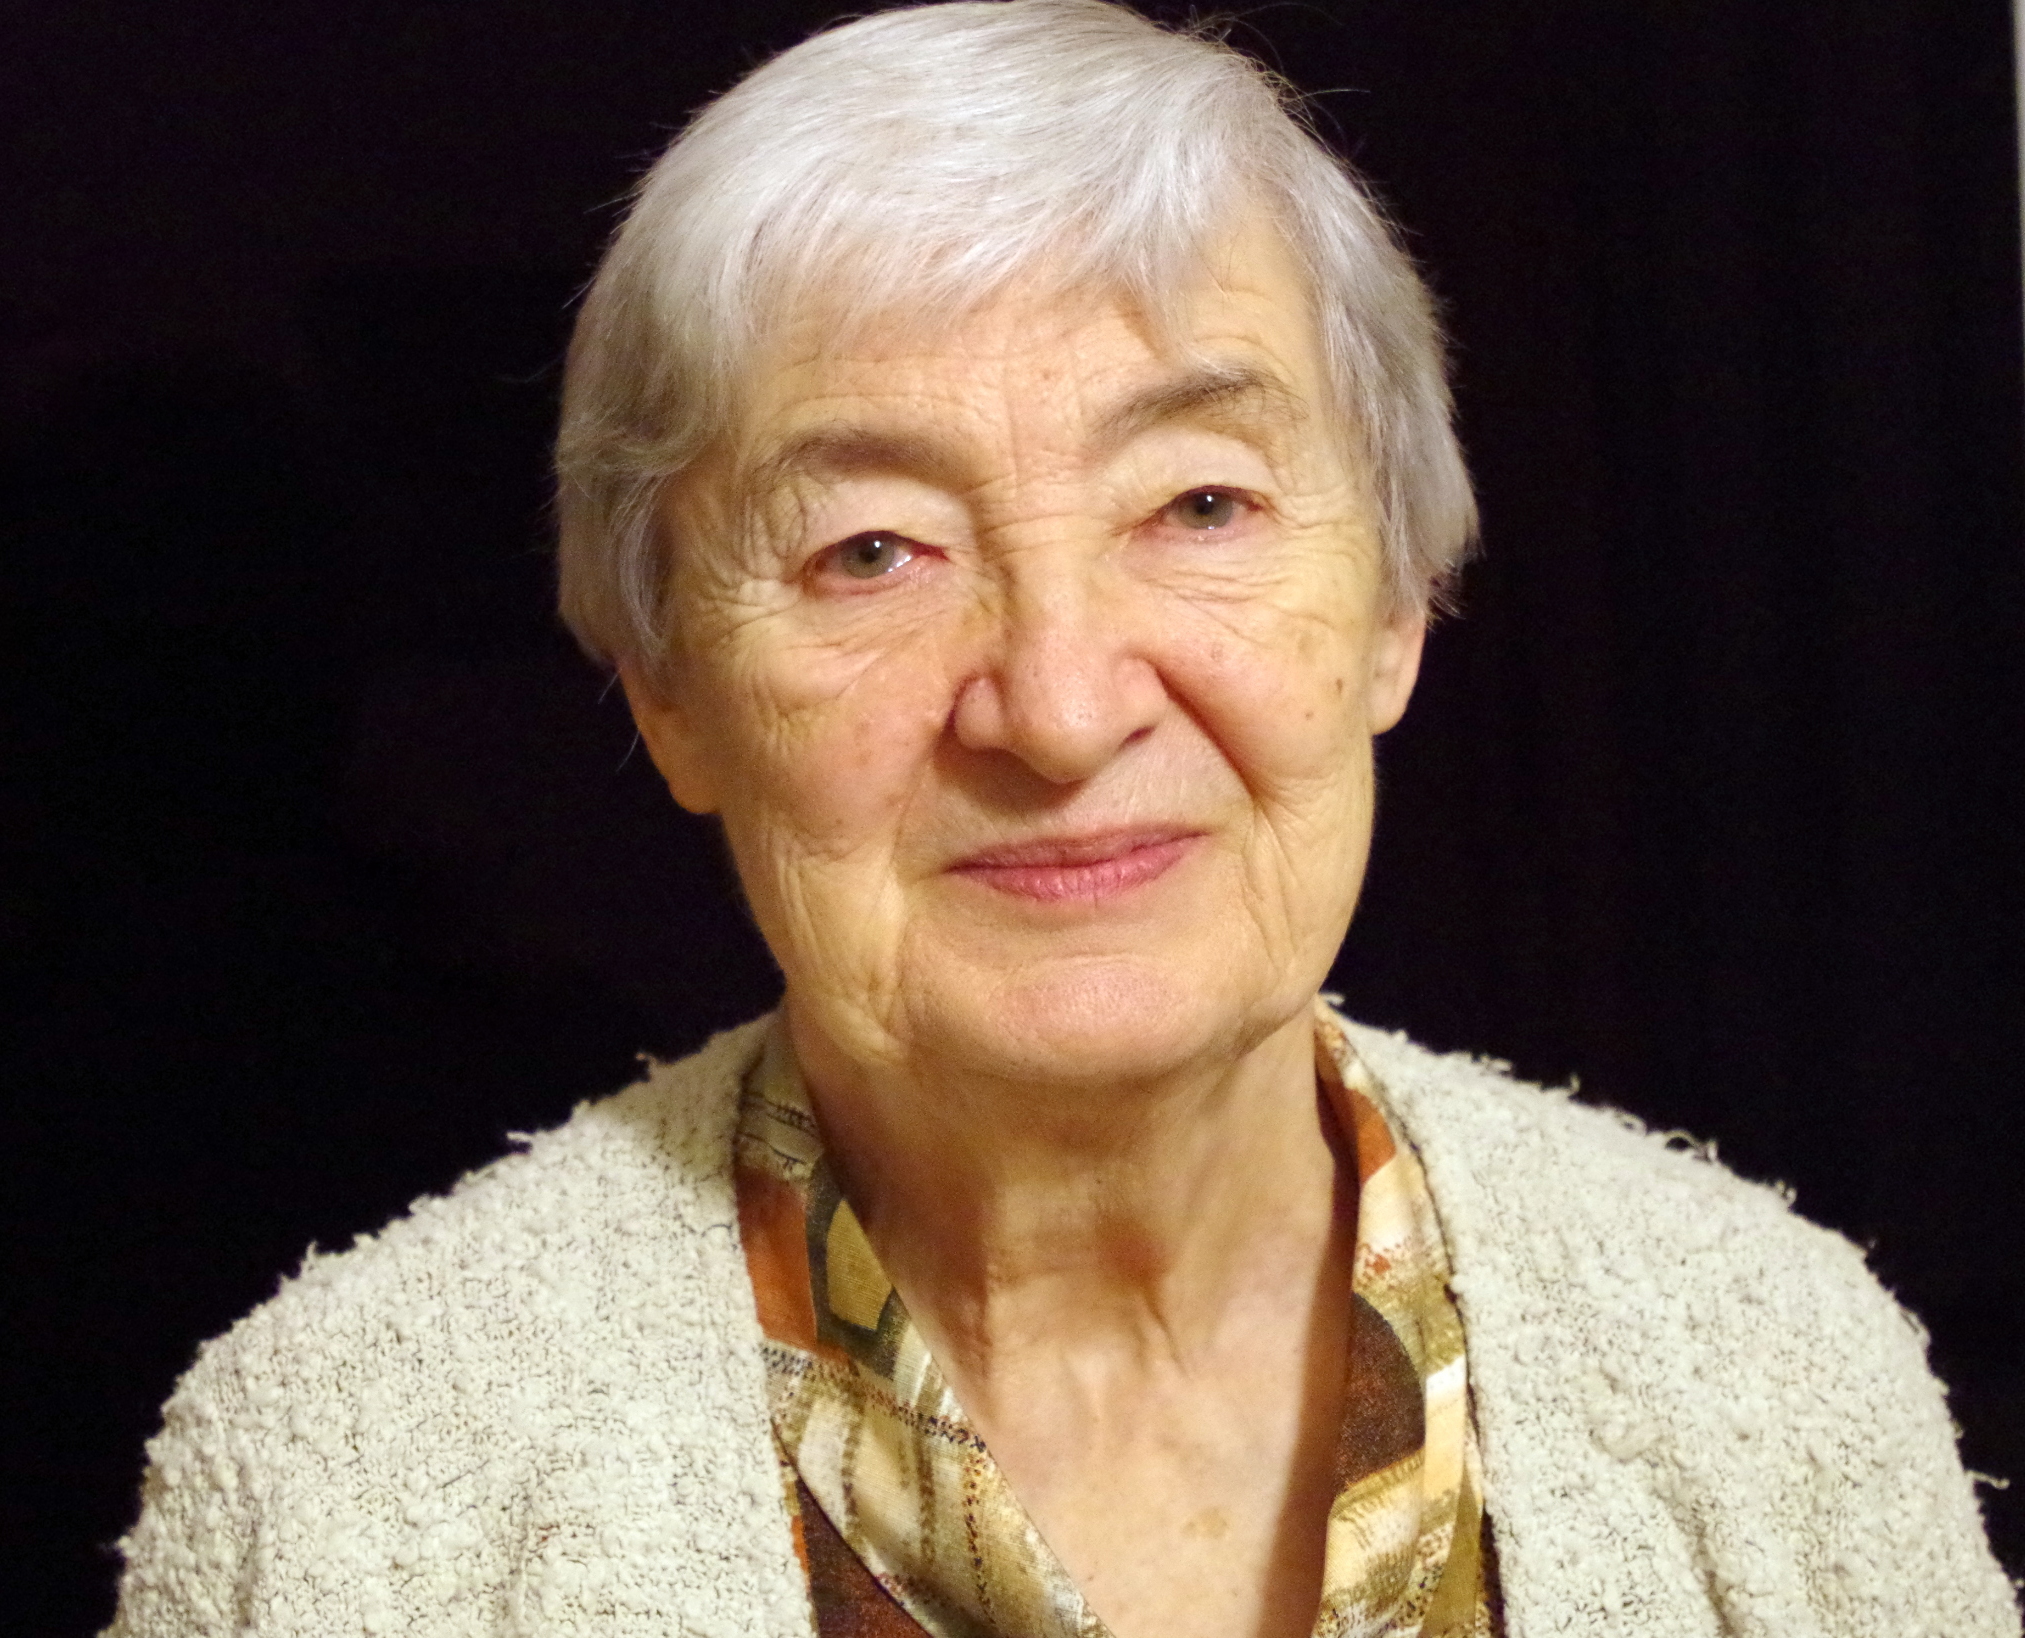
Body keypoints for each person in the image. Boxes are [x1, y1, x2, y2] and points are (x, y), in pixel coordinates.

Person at [102, 4, 2015, 1635]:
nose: (1063, 704)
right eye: (870, 548)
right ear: (668, 691)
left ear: (1393, 605)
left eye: (1198, 505)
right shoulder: (342, 1486)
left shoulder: (1771, 1369)